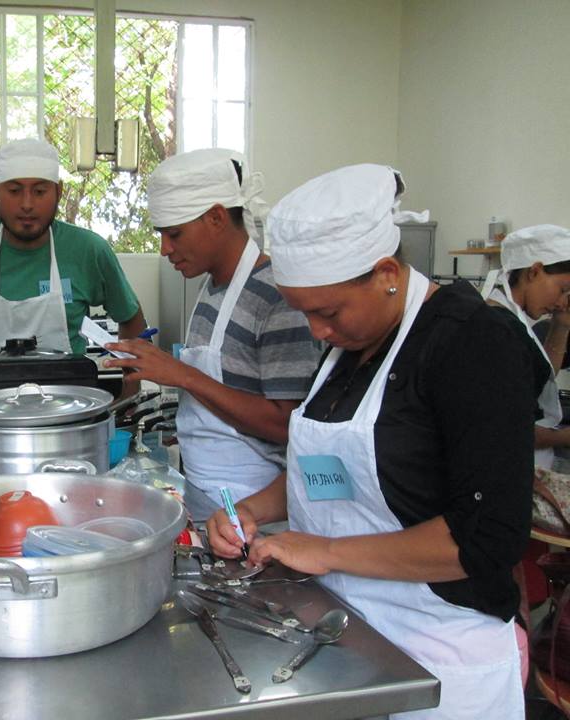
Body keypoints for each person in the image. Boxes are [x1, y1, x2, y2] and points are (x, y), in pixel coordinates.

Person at [207, 164, 535, 718]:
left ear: (386, 272)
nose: (315, 331)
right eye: (303, 311)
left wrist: (327, 551)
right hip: (347, 632)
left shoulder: (473, 343)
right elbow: (336, 470)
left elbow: (486, 540)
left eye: (326, 311)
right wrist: (252, 510)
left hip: (439, 660)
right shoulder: (348, 345)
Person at [104, 149, 320, 520]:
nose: (165, 249)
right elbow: (226, 395)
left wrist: (181, 375)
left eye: (174, 234)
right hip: (207, 495)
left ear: (217, 217)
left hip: (258, 513)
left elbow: (288, 425)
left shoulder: (276, 297)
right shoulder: (211, 289)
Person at [0, 138, 146, 364]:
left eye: (39, 192)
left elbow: (131, 319)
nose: (27, 204)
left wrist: (130, 390)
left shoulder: (88, 250)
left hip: (70, 398)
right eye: (14, 191)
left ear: (59, 191)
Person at [481, 224, 570, 469]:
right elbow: (508, 429)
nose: (563, 303)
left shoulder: (512, 320)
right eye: (562, 290)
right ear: (534, 271)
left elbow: (537, 380)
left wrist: (561, 326)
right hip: (508, 470)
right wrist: (563, 437)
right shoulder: (500, 329)